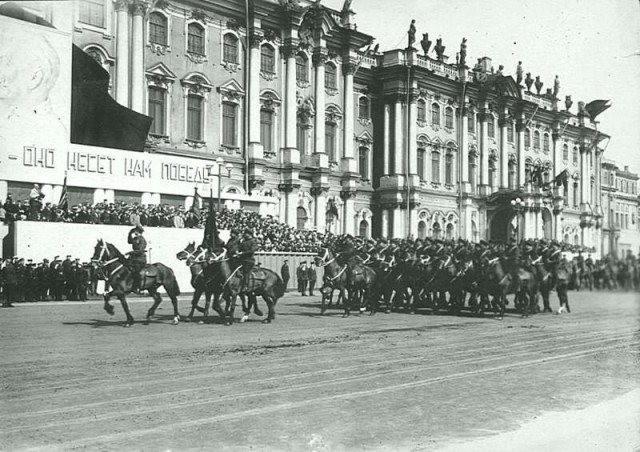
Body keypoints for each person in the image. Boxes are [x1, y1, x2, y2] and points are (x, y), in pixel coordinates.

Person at [127, 225, 147, 292]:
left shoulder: (142, 240)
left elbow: (140, 250)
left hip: (140, 259)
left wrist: (131, 252)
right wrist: (130, 233)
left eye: (136, 231)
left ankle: (137, 287)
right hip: (133, 258)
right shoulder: (135, 239)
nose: (135, 232)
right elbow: (129, 241)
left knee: (137, 271)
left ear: (139, 232)